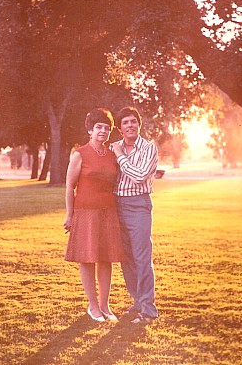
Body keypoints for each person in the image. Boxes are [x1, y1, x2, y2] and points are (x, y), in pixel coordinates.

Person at [63, 108, 125, 322]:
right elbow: (69, 187)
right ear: (90, 129)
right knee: (87, 259)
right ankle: (92, 307)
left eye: (107, 128)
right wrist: (69, 216)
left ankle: (105, 306)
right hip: (85, 213)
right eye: (99, 127)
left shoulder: (112, 155)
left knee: (106, 259)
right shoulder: (80, 154)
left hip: (108, 212)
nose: (103, 131)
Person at [111, 106, 158, 324]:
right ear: (120, 128)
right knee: (125, 258)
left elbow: (139, 176)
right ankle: (138, 300)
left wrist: (120, 157)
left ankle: (148, 310)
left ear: (138, 124)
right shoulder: (114, 147)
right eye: (125, 123)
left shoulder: (148, 148)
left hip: (138, 205)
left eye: (133, 121)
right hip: (116, 206)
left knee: (141, 257)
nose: (130, 125)